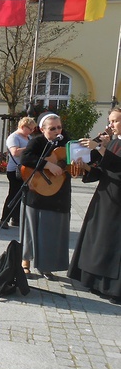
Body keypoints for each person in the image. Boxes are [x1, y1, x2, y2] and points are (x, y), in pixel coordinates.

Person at [68, 107, 121, 303]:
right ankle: (94, 281)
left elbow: (117, 165)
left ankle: (113, 289)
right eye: (110, 120)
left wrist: (98, 147)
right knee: (97, 237)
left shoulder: (110, 144)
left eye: (115, 121)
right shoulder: (114, 142)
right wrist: (86, 167)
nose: (110, 125)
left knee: (113, 243)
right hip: (104, 196)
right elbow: (103, 170)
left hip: (118, 202)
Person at [19, 113, 70, 279]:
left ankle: (46, 266)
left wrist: (76, 167)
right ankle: (25, 260)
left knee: (51, 232)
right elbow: (25, 158)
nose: (57, 131)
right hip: (37, 192)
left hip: (58, 194)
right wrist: (47, 164)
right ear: (42, 129)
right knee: (31, 229)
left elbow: (73, 160)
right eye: (52, 128)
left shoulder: (66, 142)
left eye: (59, 127)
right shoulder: (37, 141)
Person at [0, 117, 35, 229]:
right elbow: (14, 152)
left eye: (33, 129)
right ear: (23, 126)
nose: (32, 131)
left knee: (22, 195)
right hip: (15, 170)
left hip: (26, 170)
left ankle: (16, 219)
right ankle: (4, 219)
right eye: (30, 128)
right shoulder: (13, 137)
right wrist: (29, 148)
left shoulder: (28, 137)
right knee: (13, 194)